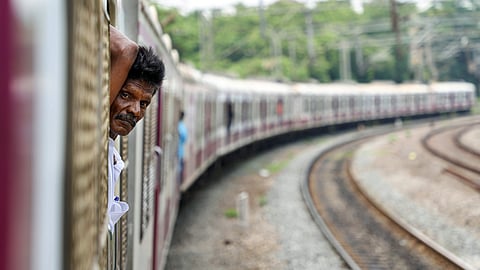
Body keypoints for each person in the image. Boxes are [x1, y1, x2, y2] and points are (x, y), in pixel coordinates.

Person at [107, 25, 165, 232]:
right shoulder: (94, 140)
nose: (135, 111)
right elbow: (126, 48)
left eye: (144, 103)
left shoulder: (111, 154)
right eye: (125, 95)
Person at [177, 111, 187, 185]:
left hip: (178, 151)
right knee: (179, 169)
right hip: (180, 151)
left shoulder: (178, 126)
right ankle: (179, 184)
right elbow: (184, 139)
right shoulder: (183, 126)